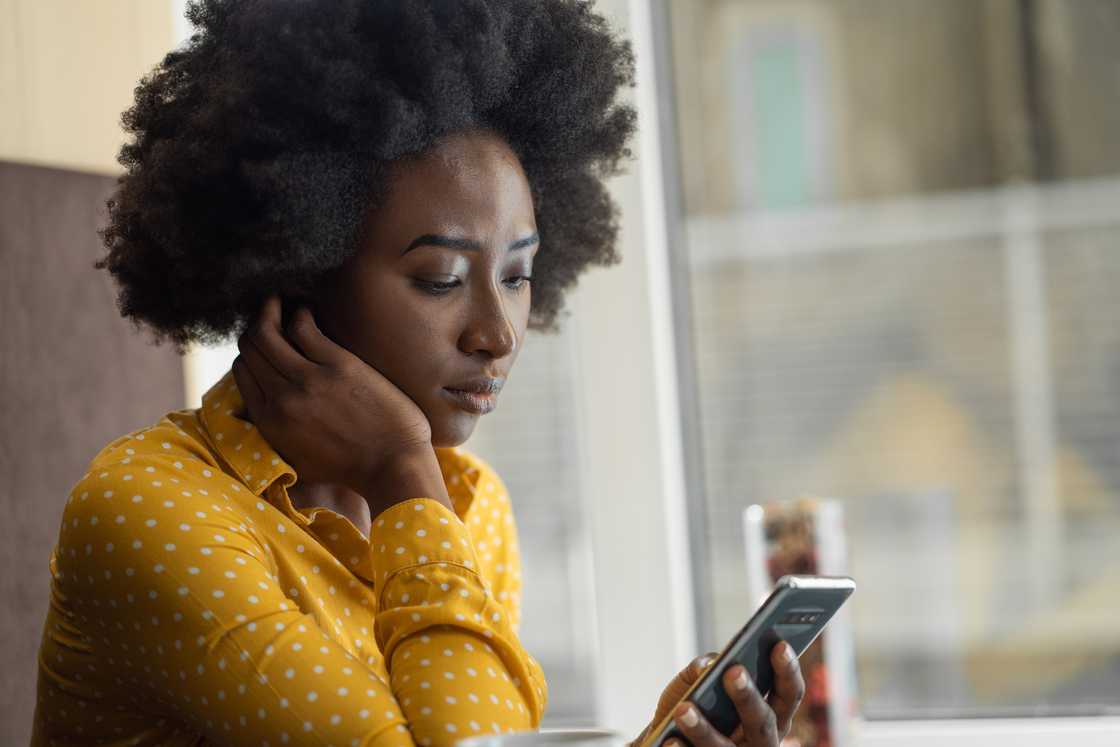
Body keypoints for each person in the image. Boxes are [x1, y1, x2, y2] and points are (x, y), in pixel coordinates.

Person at [32, 1, 804, 745]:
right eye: (440, 278)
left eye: (517, 275)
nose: (498, 333)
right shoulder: (147, 512)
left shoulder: (469, 502)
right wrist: (401, 472)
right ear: (299, 269)